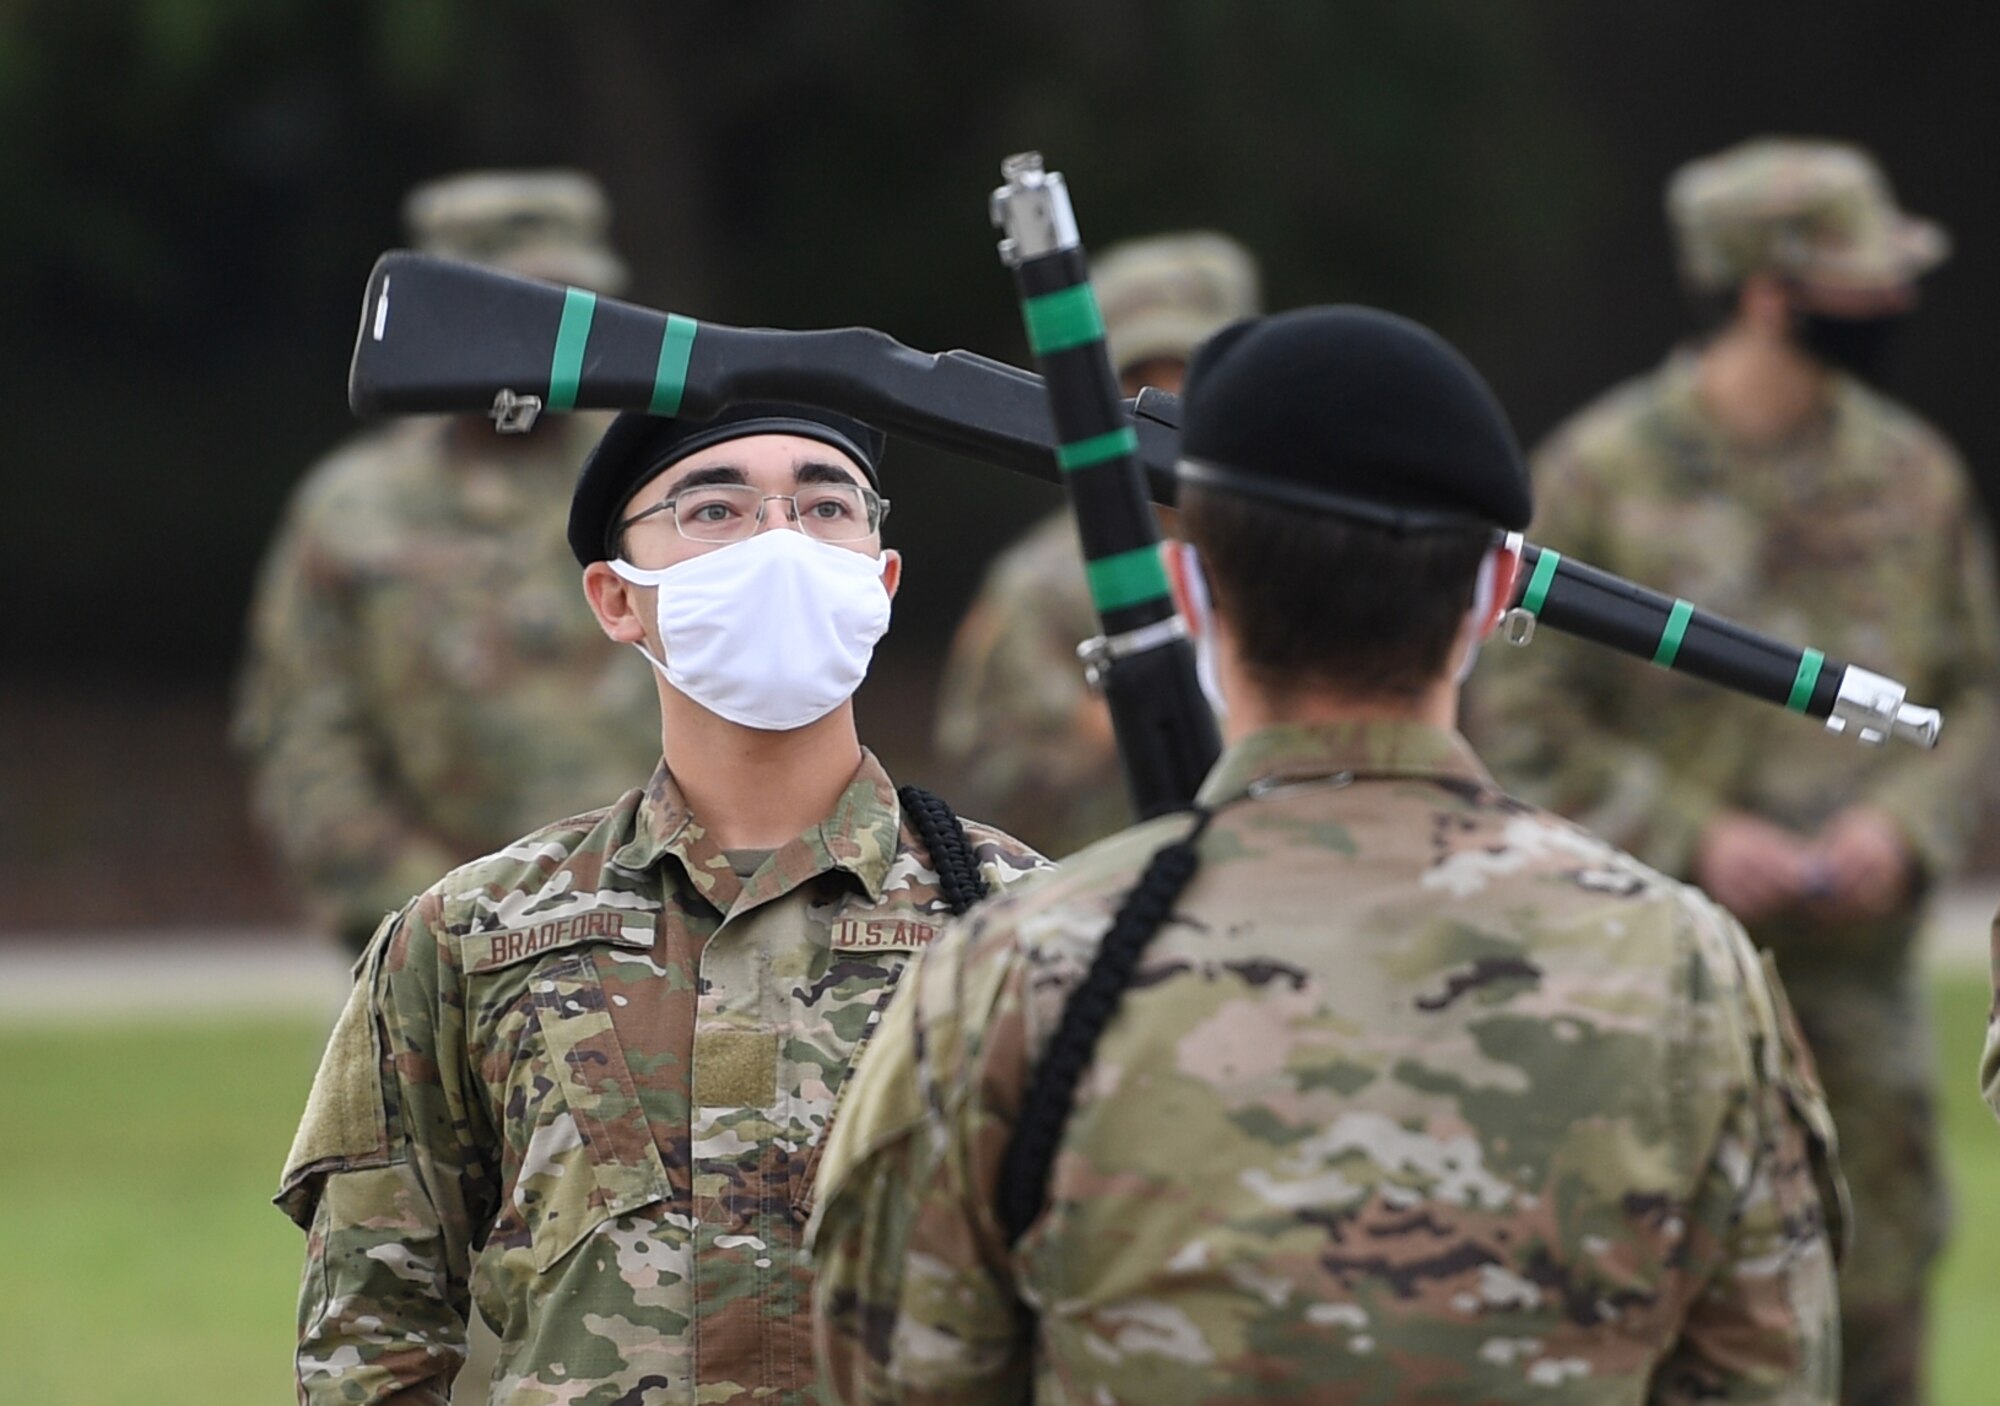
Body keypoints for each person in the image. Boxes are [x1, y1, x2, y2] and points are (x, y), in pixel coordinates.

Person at [809, 306, 1844, 1404]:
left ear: (1191, 594)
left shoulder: (1015, 972)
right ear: (1492, 597)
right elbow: (1768, 1367)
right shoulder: (1683, 968)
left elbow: (896, 1371)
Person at [274, 404, 1051, 1405]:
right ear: (614, 598)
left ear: (881, 577)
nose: (779, 540)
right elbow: (368, 1343)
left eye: (823, 504)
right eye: (714, 507)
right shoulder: (468, 936)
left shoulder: (1028, 922)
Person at [1466, 137, 1999, 1406]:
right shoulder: (1601, 474)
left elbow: (1972, 689)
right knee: (1657, 1306)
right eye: (1868, 275)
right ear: (1772, 287)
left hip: (1859, 1004)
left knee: (1873, 1305)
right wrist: (1693, 832)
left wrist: (1905, 823)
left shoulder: (1913, 476)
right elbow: (1521, 708)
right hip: (1655, 987)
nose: (1897, 302)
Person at [234, 168, 659, 952]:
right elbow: (306, 746)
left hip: (666, 940)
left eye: (569, 308)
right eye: (520, 307)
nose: (548, 336)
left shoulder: (664, 483)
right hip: (442, 955)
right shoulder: (355, 507)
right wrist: (451, 916)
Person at [933, 231, 1261, 856]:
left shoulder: (1308, 551)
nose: (1173, 406)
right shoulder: (1041, 585)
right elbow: (980, 783)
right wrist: (1121, 717)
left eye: (1190, 374)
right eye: (1143, 383)